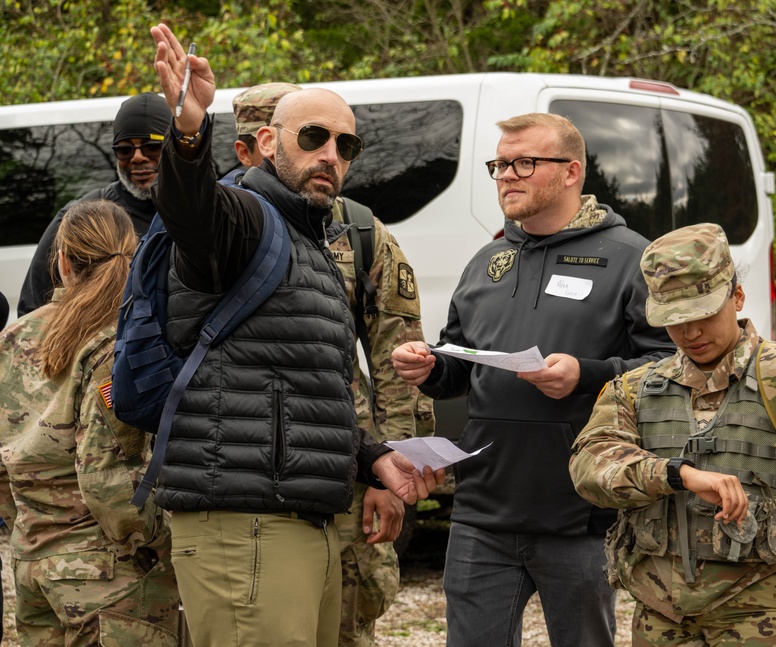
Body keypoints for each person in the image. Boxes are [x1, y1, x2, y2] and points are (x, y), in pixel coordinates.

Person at [149, 23, 443, 647]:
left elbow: (307, 391)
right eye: (313, 138)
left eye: (346, 144)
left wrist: (375, 458)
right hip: (246, 521)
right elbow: (192, 212)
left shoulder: (319, 241)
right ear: (261, 144)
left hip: (302, 512)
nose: (331, 155)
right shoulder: (244, 220)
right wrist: (188, 132)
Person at [391, 113, 675, 647]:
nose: (506, 175)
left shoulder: (630, 257)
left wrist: (587, 376)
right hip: (482, 513)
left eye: (524, 162)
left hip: (580, 514)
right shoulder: (487, 261)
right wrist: (429, 366)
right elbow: (460, 362)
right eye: (499, 164)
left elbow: (667, 369)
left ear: (571, 172)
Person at [568, 223, 776, 647]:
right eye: (675, 321)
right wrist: (676, 475)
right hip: (661, 614)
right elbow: (589, 465)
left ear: (737, 297)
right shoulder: (636, 388)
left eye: (703, 315)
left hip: (762, 609)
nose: (690, 333)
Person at [230, 82, 436, 647]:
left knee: (346, 621)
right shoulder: (218, 228)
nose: (327, 155)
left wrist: (390, 470)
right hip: (242, 475)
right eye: (245, 146)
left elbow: (401, 359)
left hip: (346, 462)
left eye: (338, 143)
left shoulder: (361, 234)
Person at [0, 200, 180, 646]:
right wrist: (166, 543)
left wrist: (29, 526)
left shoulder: (14, 337)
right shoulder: (119, 343)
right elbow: (110, 484)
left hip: (34, 567)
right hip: (110, 577)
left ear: (61, 262)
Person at [17, 92, 171, 316]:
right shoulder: (82, 217)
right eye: (125, 149)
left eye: (152, 147)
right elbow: (32, 311)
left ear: (173, 146)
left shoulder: (200, 208)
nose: (137, 157)